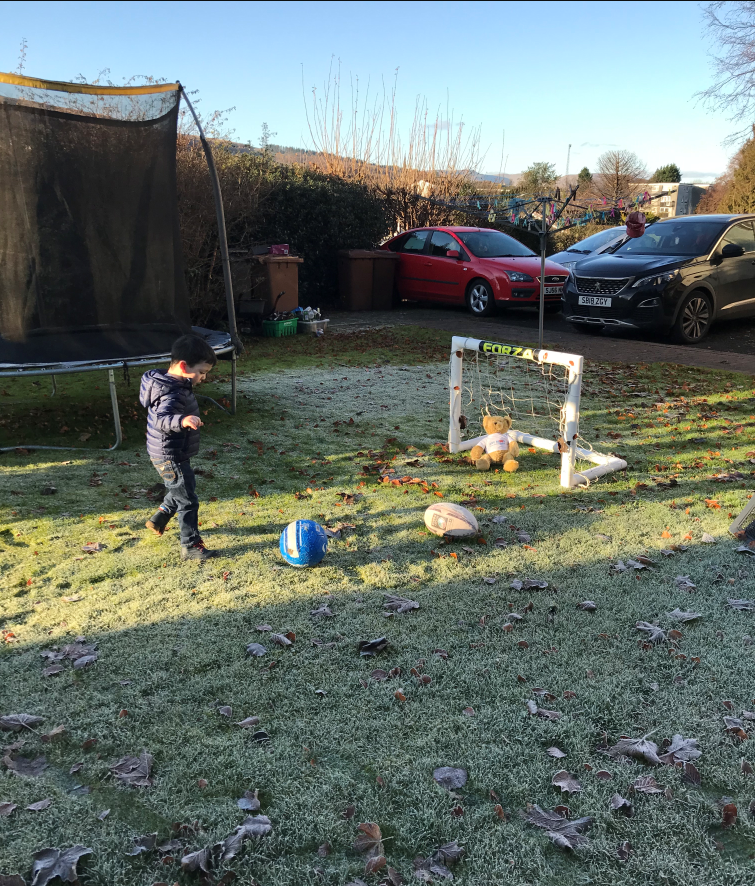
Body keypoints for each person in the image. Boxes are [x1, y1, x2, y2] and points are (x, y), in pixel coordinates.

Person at [139, 334, 217, 560]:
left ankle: (159, 518)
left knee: (183, 487)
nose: (203, 377)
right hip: (169, 454)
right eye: (201, 372)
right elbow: (161, 419)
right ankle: (190, 545)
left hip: (172, 451)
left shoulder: (173, 383)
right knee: (187, 499)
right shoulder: (171, 392)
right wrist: (182, 421)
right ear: (183, 366)